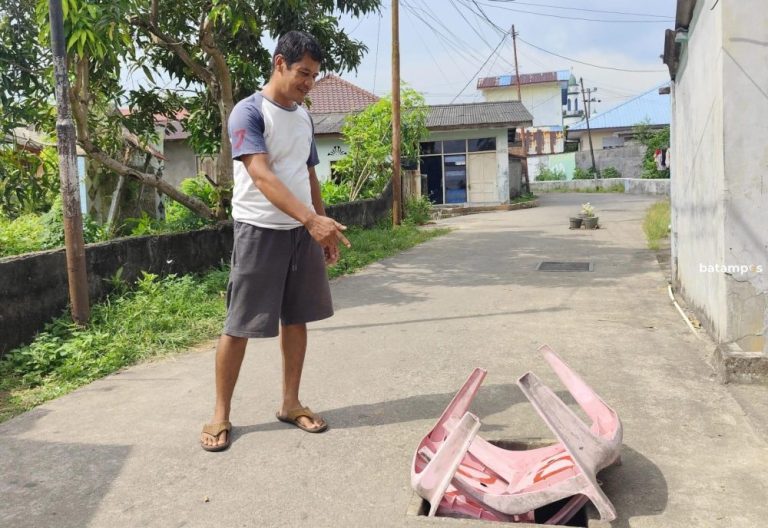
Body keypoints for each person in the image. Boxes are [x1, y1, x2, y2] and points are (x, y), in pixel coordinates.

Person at [200, 30, 350, 452]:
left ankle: (290, 403)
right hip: (258, 230)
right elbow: (261, 174)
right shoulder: (248, 112)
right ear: (279, 63)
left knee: (297, 317)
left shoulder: (302, 115)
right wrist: (311, 221)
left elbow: (308, 174)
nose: (309, 83)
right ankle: (220, 413)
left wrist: (321, 226)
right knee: (239, 325)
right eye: (303, 72)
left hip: (301, 232)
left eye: (315, 76)